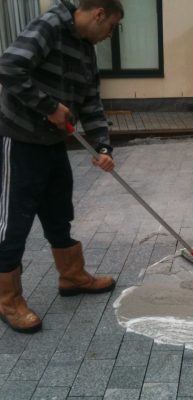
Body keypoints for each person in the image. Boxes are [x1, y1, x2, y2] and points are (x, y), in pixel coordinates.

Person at [0, 0, 124, 333]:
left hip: (53, 144)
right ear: (99, 13)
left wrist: (102, 146)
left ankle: (72, 277)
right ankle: (8, 300)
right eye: (111, 27)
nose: (109, 35)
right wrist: (50, 107)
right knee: (14, 222)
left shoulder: (85, 49)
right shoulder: (50, 26)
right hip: (21, 141)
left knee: (58, 212)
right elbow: (9, 66)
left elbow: (91, 102)